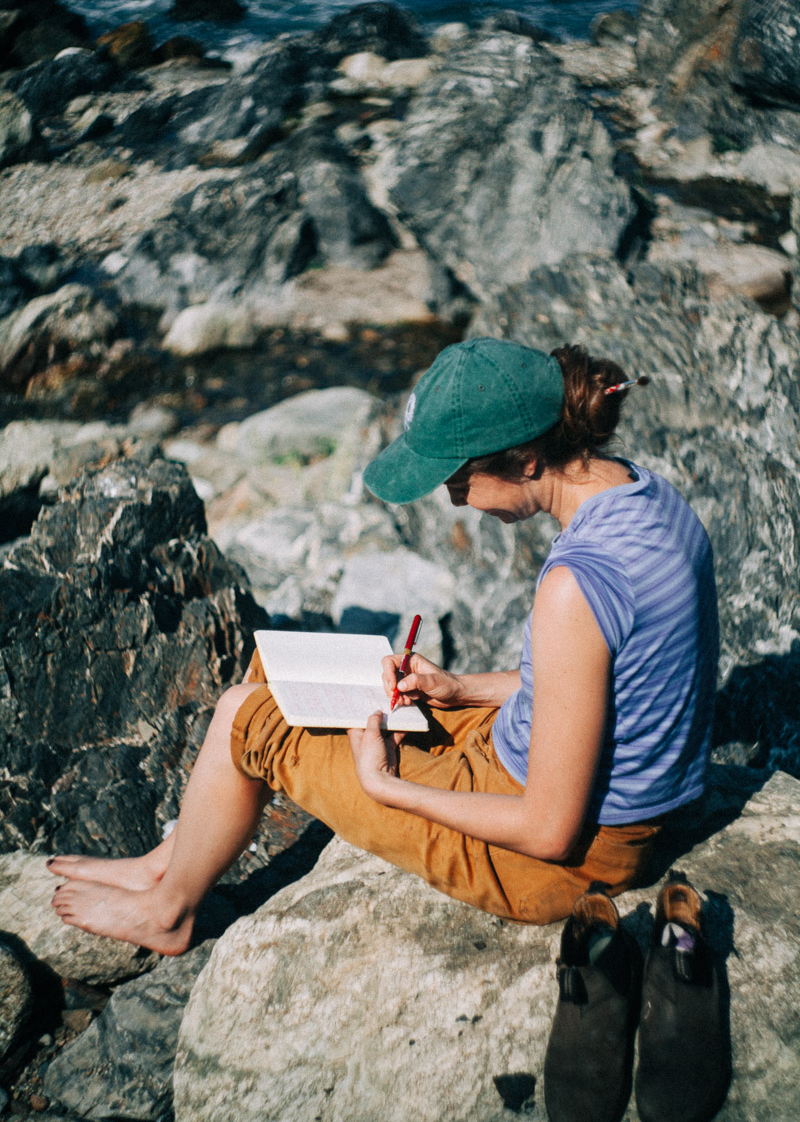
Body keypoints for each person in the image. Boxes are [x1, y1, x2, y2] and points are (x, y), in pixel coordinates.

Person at [48, 337, 719, 954]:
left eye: (457, 480)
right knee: (276, 671)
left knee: (245, 716)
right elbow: (602, 678)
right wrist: (460, 689)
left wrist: (385, 786)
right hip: (563, 781)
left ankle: (169, 912)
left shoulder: (577, 583)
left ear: (528, 458)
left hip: (563, 859)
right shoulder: (649, 498)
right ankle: (167, 863)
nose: (455, 502)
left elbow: (550, 831)